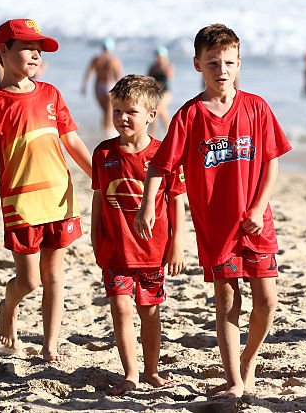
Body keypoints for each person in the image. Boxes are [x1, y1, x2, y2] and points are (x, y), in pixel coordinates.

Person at [135, 24, 290, 400]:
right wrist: (146, 207)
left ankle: (248, 362)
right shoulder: (190, 115)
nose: (221, 69)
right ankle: (234, 378)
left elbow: (271, 162)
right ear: (197, 65)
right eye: (213, 63)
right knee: (228, 301)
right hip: (216, 227)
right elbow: (160, 165)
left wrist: (258, 206)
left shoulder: (256, 107)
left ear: (239, 63)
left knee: (267, 301)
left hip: (256, 222)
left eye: (229, 62)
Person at [0, 18, 93, 361]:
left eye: (38, 49)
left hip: (59, 197)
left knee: (54, 276)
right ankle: (7, 307)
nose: (36, 54)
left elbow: (72, 142)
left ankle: (50, 345)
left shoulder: (51, 94)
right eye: (26, 47)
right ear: (2, 52)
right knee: (29, 282)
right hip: (21, 204)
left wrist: (96, 176)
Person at [91, 75, 186, 395]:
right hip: (115, 250)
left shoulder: (163, 155)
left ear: (151, 115)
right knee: (120, 309)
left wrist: (177, 246)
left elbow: (176, 202)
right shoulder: (103, 154)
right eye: (117, 111)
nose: (122, 118)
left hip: (152, 252)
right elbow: (99, 199)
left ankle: (152, 370)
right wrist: (95, 238)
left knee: (149, 311)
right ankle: (130, 373)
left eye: (130, 111)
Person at [82, 37, 124, 134]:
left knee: (105, 112)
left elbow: (88, 73)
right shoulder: (114, 60)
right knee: (110, 112)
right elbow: (119, 76)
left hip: (98, 88)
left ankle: (104, 133)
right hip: (109, 86)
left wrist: (84, 87)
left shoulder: (96, 59)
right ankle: (109, 134)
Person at [147, 47, 175, 134]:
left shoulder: (168, 66)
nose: (159, 59)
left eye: (161, 57)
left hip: (166, 93)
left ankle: (154, 133)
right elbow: (148, 79)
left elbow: (170, 76)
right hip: (156, 93)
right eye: (158, 57)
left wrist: (163, 66)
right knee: (163, 114)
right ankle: (168, 133)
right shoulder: (153, 67)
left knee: (157, 110)